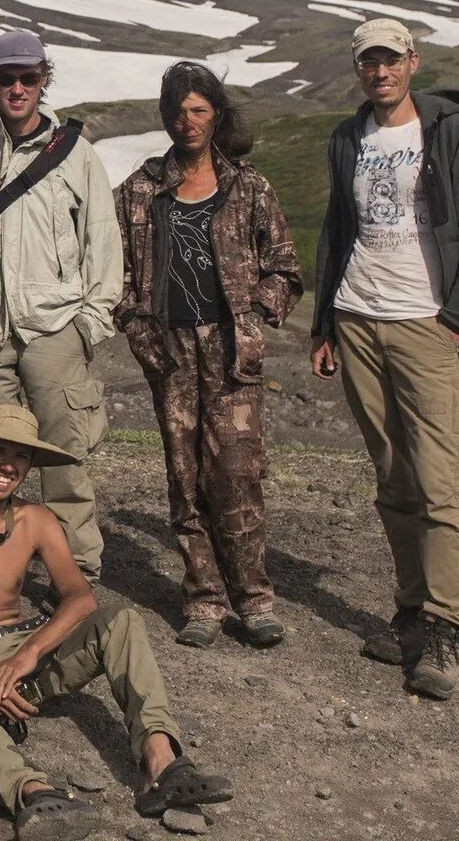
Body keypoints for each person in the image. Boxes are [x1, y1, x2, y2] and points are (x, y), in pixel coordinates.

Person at [0, 406, 232, 840]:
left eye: (20, 457)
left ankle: (164, 765)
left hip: (22, 659)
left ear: (30, 465)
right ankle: (34, 793)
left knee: (120, 619)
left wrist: (27, 657)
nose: (8, 465)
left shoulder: (36, 520)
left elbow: (81, 597)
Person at [311, 18, 459, 700]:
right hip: (359, 316)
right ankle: (409, 611)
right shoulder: (348, 138)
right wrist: (324, 324)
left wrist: (458, 319)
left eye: (391, 60)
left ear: (413, 63)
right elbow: (337, 230)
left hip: (426, 321)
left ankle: (448, 623)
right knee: (392, 472)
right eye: (369, 61)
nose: (380, 72)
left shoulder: (450, 130)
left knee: (440, 479)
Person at [114, 62, 303, 647]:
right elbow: (112, 270)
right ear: (166, 118)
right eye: (178, 111)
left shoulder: (249, 187)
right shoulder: (140, 190)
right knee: (184, 472)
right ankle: (204, 600)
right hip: (169, 349)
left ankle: (255, 599)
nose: (188, 121)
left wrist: (256, 314)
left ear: (216, 115)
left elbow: (286, 268)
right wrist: (134, 324)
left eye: (199, 110)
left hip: (230, 350)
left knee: (238, 472)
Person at [0, 31, 118, 585]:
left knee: (64, 453)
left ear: (44, 80)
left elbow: (103, 239)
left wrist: (89, 324)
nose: (18, 87)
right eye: (7, 77)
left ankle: (76, 567)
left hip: (55, 327)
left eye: (29, 77)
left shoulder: (76, 154)